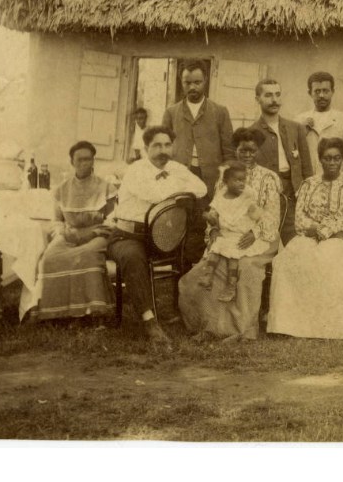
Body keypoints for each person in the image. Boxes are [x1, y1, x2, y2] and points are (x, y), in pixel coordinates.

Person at [265, 137, 343, 339]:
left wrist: (326, 231)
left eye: (336, 158)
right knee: (286, 260)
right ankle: (290, 324)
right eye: (327, 158)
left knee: (327, 259)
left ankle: (331, 325)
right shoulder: (309, 184)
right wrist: (316, 229)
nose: (332, 163)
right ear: (320, 160)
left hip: (342, 237)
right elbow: (300, 218)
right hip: (310, 235)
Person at [106, 126, 207, 349]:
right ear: (146, 148)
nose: (163, 150)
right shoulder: (136, 171)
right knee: (133, 258)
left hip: (161, 236)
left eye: (167, 145)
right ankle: (149, 321)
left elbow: (201, 188)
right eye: (157, 146)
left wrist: (176, 184)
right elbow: (155, 194)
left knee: (190, 250)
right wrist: (179, 188)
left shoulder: (175, 167)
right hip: (128, 235)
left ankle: (179, 311)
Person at [178, 127, 282, 342]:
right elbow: (217, 209)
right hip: (227, 238)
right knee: (201, 274)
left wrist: (255, 232)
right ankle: (210, 325)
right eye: (242, 150)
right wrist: (214, 229)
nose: (247, 155)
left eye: (252, 151)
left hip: (260, 239)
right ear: (236, 149)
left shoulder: (268, 178)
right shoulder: (224, 177)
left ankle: (244, 329)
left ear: (258, 150)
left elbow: (272, 215)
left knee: (246, 269)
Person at [34, 140, 116, 321]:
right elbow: (56, 220)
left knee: (86, 255)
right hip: (70, 234)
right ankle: (58, 313)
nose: (85, 163)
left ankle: (92, 312)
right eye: (80, 160)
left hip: (99, 234)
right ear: (72, 162)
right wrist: (63, 233)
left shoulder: (106, 187)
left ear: (94, 161)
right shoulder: (61, 189)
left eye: (89, 159)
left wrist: (94, 233)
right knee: (50, 257)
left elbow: (113, 219)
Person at [251, 78, 315, 245]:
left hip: (293, 194)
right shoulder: (251, 132)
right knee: (265, 244)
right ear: (257, 99)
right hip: (266, 197)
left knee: (296, 243)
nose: (274, 100)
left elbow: (307, 168)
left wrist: (308, 196)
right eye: (268, 95)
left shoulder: (296, 128)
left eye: (278, 95)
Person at [161, 61, 234, 202]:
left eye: (197, 82)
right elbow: (163, 149)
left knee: (206, 218)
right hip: (179, 177)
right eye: (187, 83)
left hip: (211, 177)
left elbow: (229, 151)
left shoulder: (220, 112)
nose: (192, 87)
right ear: (181, 82)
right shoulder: (171, 113)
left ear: (205, 80)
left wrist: (225, 180)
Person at [192, 162, 264, 303]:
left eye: (243, 180)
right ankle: (208, 274)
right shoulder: (221, 196)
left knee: (233, 257)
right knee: (215, 248)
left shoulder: (247, 197)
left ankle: (231, 286)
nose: (241, 183)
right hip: (225, 233)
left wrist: (253, 211)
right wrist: (209, 217)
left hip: (239, 234)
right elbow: (213, 212)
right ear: (226, 182)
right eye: (237, 180)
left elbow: (257, 217)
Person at [297, 70, 343, 179]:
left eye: (325, 91)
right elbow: (293, 156)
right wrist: (301, 133)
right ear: (310, 93)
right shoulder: (299, 120)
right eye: (317, 91)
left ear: (332, 91)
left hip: (337, 182)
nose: (321, 95)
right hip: (309, 181)